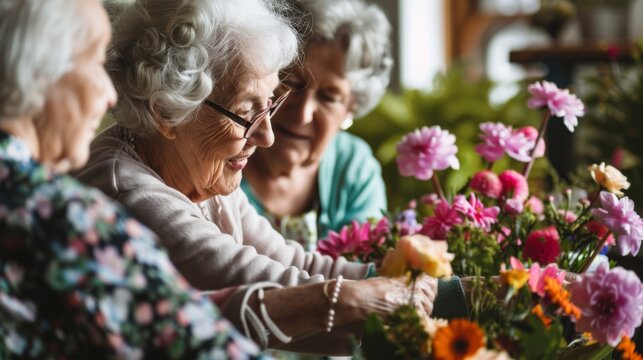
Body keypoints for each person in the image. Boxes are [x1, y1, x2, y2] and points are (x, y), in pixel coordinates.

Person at [73, 0, 466, 354]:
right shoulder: (127, 192)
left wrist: (465, 292)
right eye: (247, 112)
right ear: (166, 110)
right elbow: (267, 286)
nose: (267, 136)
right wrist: (450, 301)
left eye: (270, 105)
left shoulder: (200, 174)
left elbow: (292, 261)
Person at [0, 0, 262, 357]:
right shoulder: (61, 217)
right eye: (94, 63)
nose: (109, 95)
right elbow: (201, 346)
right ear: (39, 71)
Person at [242, 0, 391, 250]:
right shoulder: (222, 156)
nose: (303, 115)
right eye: (292, 82)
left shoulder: (353, 168)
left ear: (350, 108)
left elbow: (364, 273)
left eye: (329, 97)